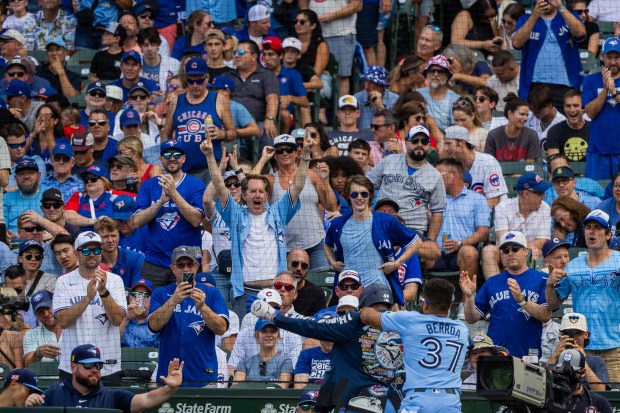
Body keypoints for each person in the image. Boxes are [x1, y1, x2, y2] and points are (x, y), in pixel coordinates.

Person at [201, 132, 313, 316]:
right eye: (252, 191)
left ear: (265, 195)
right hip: (244, 292)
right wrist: (210, 156)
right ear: (244, 196)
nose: (258, 195)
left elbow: (298, 185)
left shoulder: (278, 212)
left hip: (275, 291)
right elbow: (220, 188)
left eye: (261, 191)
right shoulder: (236, 215)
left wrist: (306, 156)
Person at [251, 283, 405, 412]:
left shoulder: (355, 321)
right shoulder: (405, 324)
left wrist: (271, 313)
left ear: (363, 304)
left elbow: (310, 325)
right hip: (397, 403)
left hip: (361, 403)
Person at [359, 278, 468, 413]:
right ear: (450, 305)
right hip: (450, 402)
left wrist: (392, 311)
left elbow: (366, 316)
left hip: (418, 401)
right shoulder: (462, 329)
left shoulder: (410, 320)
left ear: (425, 304)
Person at [546, 209, 620, 383]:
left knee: (615, 402)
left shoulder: (618, 261)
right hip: (581, 349)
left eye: (597, 228)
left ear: (608, 234)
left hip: (615, 349)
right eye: (588, 227)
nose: (591, 231)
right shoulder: (572, 266)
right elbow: (554, 304)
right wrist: (550, 284)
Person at [324, 175, 420, 305]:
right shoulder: (338, 223)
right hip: (349, 289)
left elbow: (416, 242)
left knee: (376, 323)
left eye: (364, 194)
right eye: (354, 194)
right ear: (348, 197)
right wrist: (333, 262)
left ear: (370, 196)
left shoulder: (386, 220)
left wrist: (397, 264)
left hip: (377, 288)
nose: (359, 198)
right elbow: (326, 245)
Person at [252, 134, 335, 271]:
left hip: (315, 243)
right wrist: (263, 158)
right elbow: (250, 185)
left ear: (297, 152)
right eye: (280, 150)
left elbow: (331, 206)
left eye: (289, 149)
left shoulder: (311, 175)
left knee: (321, 285)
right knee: (287, 287)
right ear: (274, 154)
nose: (285, 153)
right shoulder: (271, 180)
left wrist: (325, 181)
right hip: (285, 247)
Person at [148, 245, 228, 387]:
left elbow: (221, 328)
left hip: (203, 375)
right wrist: (173, 300)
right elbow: (153, 325)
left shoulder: (211, 293)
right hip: (168, 375)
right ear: (173, 268)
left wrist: (203, 307)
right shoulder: (161, 293)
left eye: (190, 264)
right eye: (180, 265)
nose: (185, 269)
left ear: (196, 266)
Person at [462, 231, 551, 358]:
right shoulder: (492, 282)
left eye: (515, 248)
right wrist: (470, 297)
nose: (510, 253)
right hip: (495, 353)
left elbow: (546, 315)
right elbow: (471, 319)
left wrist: (522, 300)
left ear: (526, 251)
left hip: (528, 354)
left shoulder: (542, 279)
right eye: (505, 250)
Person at [52, 231, 126, 381]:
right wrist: (88, 298)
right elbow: (63, 322)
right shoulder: (63, 281)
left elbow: (117, 320)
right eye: (86, 250)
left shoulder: (115, 280)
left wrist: (103, 292)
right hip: (72, 366)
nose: (92, 254)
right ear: (76, 254)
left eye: (96, 250)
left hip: (107, 366)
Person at [133, 140, 206, 288]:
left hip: (186, 262)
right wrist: (160, 202)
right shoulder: (149, 185)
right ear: (161, 159)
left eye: (176, 154)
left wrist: (173, 194)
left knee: (187, 304)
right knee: (152, 306)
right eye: (167, 154)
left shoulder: (195, 184)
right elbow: (137, 221)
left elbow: (196, 220)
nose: (172, 158)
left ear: (184, 158)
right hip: (155, 261)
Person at [24, 344, 184, 410]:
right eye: (88, 365)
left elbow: (147, 399)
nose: (94, 369)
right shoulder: (54, 393)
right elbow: (34, 408)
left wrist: (170, 388)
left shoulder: (113, 396)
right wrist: (30, 404)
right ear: (73, 367)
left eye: (98, 365)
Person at [162, 57, 236, 183]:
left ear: (207, 78)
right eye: (191, 81)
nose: (195, 85)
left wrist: (221, 134)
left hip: (210, 167)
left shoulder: (219, 100)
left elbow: (232, 133)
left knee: (209, 202)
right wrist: (166, 155)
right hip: (182, 169)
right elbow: (166, 134)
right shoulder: (176, 101)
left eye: (199, 80)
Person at [367, 125, 446, 242]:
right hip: (382, 225)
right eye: (415, 141)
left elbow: (437, 212)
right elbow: (367, 185)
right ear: (406, 142)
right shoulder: (389, 161)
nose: (419, 144)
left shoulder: (435, 175)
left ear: (429, 145)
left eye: (424, 141)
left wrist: (430, 241)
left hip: (413, 230)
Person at [512, 0, 585, 107]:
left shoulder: (569, 15)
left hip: (565, 86)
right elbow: (516, 43)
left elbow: (580, 33)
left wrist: (561, 7)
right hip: (535, 86)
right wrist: (534, 16)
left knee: (564, 123)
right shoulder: (525, 19)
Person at [482, 173, 551, 277]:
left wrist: (519, 251)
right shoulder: (503, 207)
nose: (544, 196)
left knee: (534, 251)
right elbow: (503, 239)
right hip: (504, 254)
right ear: (526, 194)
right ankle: (495, 289)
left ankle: (527, 287)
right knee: (488, 251)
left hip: (529, 253)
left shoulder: (545, 208)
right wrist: (514, 251)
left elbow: (542, 241)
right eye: (540, 193)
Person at [432, 157, 490, 281]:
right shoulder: (432, 197)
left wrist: (460, 243)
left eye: (438, 175)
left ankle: (467, 300)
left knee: (469, 252)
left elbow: (483, 232)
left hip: (461, 251)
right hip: (435, 252)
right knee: (416, 250)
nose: (434, 179)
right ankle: (418, 298)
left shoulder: (477, 200)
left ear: (452, 176)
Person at [299, 0, 362, 97]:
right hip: (314, 34)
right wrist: (308, 18)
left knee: (342, 75)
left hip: (341, 32)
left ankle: (341, 109)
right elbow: (303, 2)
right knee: (313, 73)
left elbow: (357, 5)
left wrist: (331, 16)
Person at [583, 37, 620, 180]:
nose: (612, 61)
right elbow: (590, 113)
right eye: (609, 57)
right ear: (602, 57)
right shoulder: (590, 80)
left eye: (617, 57)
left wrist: (614, 91)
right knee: (596, 196)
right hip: (598, 151)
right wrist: (605, 89)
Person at [229, 40, 280, 143]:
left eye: (241, 53)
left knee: (269, 135)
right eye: (235, 53)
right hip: (232, 122)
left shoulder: (267, 75)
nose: (237, 56)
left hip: (258, 122)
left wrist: (270, 119)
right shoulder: (227, 76)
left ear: (253, 56)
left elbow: (272, 98)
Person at [546, 312, 608, 391]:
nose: (574, 338)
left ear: (586, 335)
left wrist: (582, 360)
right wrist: (555, 355)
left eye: (578, 333)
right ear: (561, 334)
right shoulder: (555, 359)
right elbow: (543, 384)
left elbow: (600, 390)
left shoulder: (596, 361)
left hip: (588, 401)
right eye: (569, 333)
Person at [262, 36, 308, 133]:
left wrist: (290, 98)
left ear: (281, 56)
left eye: (271, 55)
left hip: (283, 116)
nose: (266, 59)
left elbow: (305, 101)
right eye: (264, 55)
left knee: (285, 115)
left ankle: (282, 142)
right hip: (262, 113)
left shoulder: (293, 74)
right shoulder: (259, 74)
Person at [233, 319, 293, 387]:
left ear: (278, 335)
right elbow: (237, 387)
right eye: (264, 331)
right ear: (257, 335)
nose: (269, 335)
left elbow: (282, 388)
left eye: (273, 331)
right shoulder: (244, 362)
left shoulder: (285, 362)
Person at [485, 94, 541, 162]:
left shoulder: (531, 135)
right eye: (522, 114)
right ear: (510, 113)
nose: (525, 118)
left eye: (527, 115)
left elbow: (530, 165)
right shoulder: (493, 135)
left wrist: (516, 173)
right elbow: (489, 164)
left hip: (524, 172)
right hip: (498, 172)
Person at [94, 217, 144, 288]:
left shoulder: (136, 259)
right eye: (105, 237)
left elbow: (137, 292)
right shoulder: (93, 262)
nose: (110, 240)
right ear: (97, 238)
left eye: (113, 236)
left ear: (119, 236)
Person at [417, 56, 460, 131]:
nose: (436, 74)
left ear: (447, 76)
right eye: (432, 71)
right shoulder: (417, 94)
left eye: (440, 71)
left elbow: (456, 130)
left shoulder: (456, 99)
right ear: (426, 74)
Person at [546, 89, 590, 162]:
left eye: (575, 105)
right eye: (568, 106)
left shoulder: (594, 130)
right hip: (563, 172)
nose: (572, 110)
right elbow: (553, 162)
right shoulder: (554, 131)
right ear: (564, 107)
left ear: (584, 107)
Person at [353, 65, 399, 131]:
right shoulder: (357, 98)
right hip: (362, 139)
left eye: (371, 82)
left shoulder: (395, 99)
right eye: (366, 81)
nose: (367, 86)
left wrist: (380, 106)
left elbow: (393, 128)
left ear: (382, 85)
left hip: (386, 138)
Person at [4, 158, 43, 234]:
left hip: (43, 241)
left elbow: (57, 222)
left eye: (31, 173)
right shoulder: (6, 198)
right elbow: (3, 225)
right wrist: (5, 235)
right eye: (21, 174)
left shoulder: (48, 194)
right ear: (15, 178)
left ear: (39, 175)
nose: (26, 176)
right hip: (15, 243)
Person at [23, 290, 62, 367]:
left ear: (56, 305)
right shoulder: (31, 334)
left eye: (48, 308)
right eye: (41, 312)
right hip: (43, 378)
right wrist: (37, 354)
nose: (46, 314)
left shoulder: (73, 328)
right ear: (35, 315)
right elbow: (28, 366)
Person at [293, 317, 333, 388]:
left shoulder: (344, 355)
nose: (328, 338)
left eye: (331, 333)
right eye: (324, 334)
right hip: (311, 395)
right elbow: (299, 386)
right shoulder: (306, 354)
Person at [120, 279, 159, 348]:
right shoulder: (120, 317)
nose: (140, 299)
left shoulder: (157, 321)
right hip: (124, 358)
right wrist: (126, 319)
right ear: (129, 298)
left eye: (145, 295)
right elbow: (112, 343)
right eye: (136, 295)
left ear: (152, 299)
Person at [288, 248, 327, 317]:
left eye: (304, 266)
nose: (299, 268)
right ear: (286, 264)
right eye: (295, 264)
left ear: (308, 269)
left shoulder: (316, 293)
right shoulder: (278, 287)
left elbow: (318, 322)